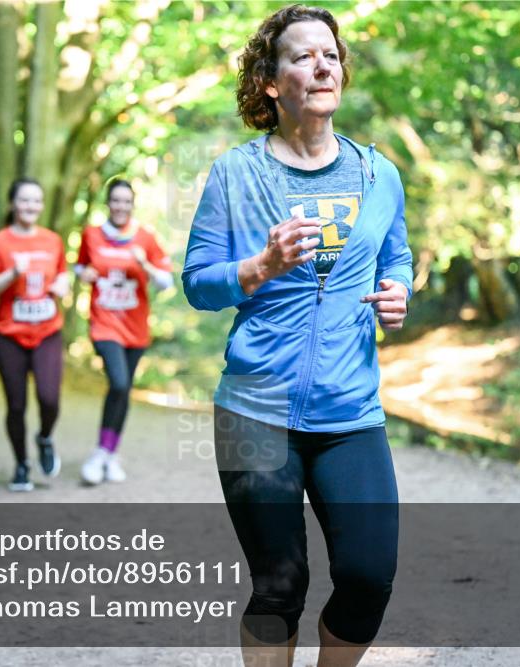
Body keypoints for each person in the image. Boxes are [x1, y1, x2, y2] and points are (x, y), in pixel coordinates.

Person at [181, 5, 413, 666]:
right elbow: (199, 282)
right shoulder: (236, 173)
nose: (322, 64)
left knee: (369, 577)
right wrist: (259, 266)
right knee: (280, 585)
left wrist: (400, 292)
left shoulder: (378, 174)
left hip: (350, 413)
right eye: (302, 55)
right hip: (257, 409)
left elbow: (395, 256)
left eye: (331, 55)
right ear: (272, 84)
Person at [75, 179, 173, 485]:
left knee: (124, 390)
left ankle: (108, 454)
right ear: (108, 203)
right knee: (118, 383)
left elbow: (166, 283)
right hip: (104, 323)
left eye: (126, 201)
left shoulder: (145, 238)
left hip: (135, 327)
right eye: (115, 201)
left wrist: (146, 266)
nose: (121, 206)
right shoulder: (92, 235)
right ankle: (101, 454)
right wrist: (84, 274)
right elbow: (80, 267)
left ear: (133, 205)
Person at [0, 178, 70, 492]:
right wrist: (12, 274)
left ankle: (45, 437)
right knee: (16, 405)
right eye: (24, 200)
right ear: (13, 204)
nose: (31, 206)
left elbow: (62, 274)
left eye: (36, 201)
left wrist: (63, 285)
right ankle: (21, 465)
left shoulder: (52, 241)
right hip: (9, 335)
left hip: (47, 332)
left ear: (41, 206)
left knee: (49, 398)